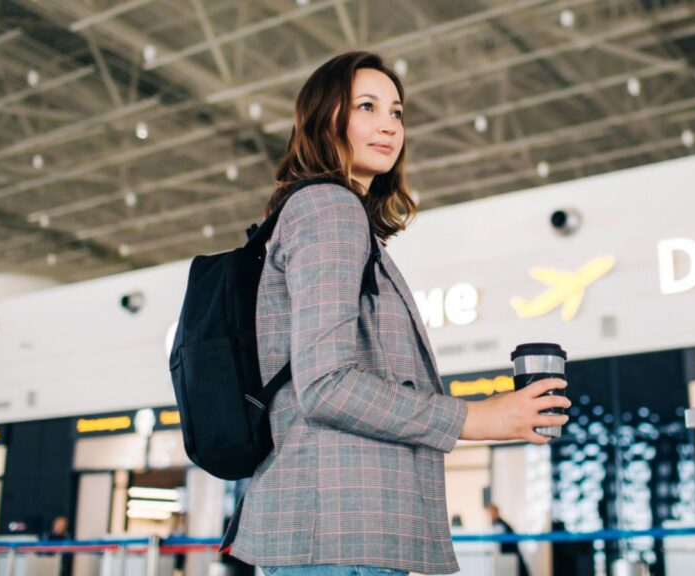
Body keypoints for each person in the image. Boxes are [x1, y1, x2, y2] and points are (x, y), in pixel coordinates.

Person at [223, 51, 570, 576]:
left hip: (339, 535)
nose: (388, 124)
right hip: (341, 536)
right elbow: (328, 385)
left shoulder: (325, 213)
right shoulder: (328, 209)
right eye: (367, 106)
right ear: (325, 119)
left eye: (397, 112)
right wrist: (480, 417)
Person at [487, 504, 530, 576]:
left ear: (497, 512)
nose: (491, 515)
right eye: (490, 513)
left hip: (511, 551)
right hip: (508, 552)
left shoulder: (500, 524)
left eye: (492, 512)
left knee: (519, 570)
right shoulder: (496, 523)